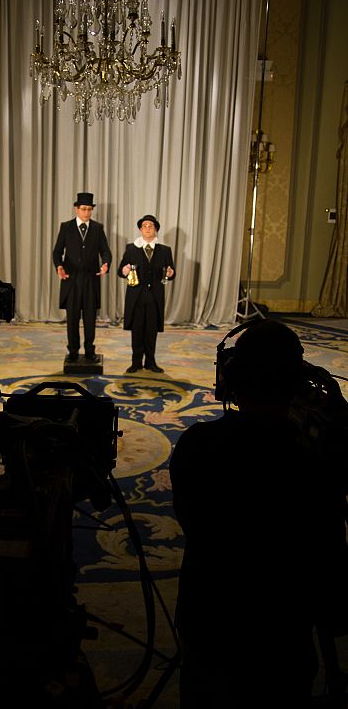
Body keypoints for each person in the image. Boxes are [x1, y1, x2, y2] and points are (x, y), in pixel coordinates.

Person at [169, 320, 348, 708]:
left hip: (207, 626)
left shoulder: (195, 446)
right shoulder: (313, 464)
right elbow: (332, 579)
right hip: (282, 641)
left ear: (231, 379)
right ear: (296, 386)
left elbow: (191, 520)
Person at [53, 192, 112, 363]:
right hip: (71, 279)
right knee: (72, 318)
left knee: (89, 318)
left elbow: (105, 251)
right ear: (76, 209)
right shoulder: (66, 227)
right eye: (83, 209)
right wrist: (59, 266)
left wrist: (106, 264)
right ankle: (72, 351)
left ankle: (89, 350)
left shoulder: (97, 228)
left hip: (90, 280)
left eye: (89, 209)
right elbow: (57, 252)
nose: (86, 213)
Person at [118, 214, 175, 373]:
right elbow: (121, 270)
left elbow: (171, 272)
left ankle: (150, 362)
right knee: (137, 330)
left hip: (155, 297)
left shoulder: (165, 250)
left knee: (151, 330)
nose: (147, 228)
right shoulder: (131, 248)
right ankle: (136, 362)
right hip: (136, 297)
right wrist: (124, 270)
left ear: (156, 229)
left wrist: (170, 273)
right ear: (140, 229)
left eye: (151, 226)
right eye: (144, 226)